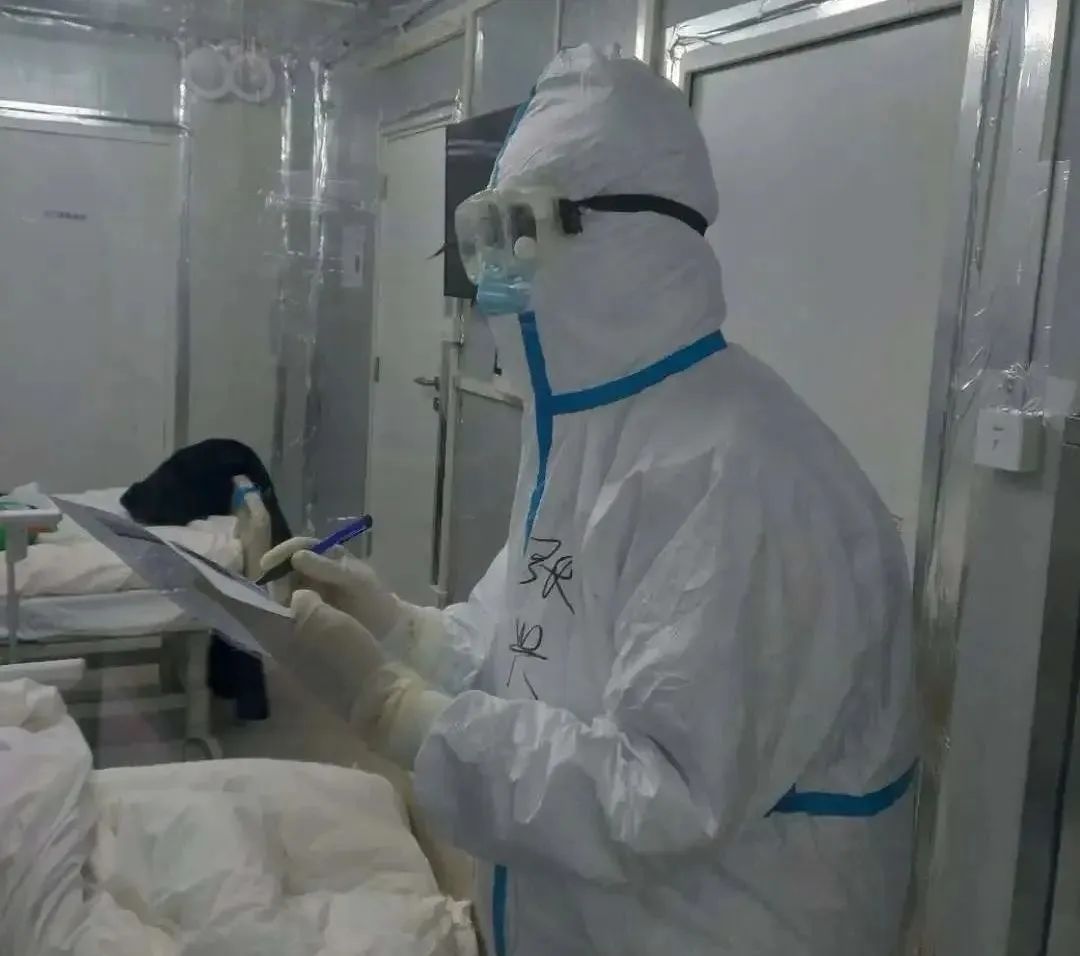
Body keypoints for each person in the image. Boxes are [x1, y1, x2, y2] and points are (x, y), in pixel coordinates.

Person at [264, 45, 916, 956]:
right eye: (481, 234)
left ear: (622, 236)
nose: (490, 272)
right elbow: (528, 654)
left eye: (514, 229)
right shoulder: (586, 438)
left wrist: (399, 713)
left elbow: (660, 795)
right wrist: (399, 629)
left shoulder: (741, 476)